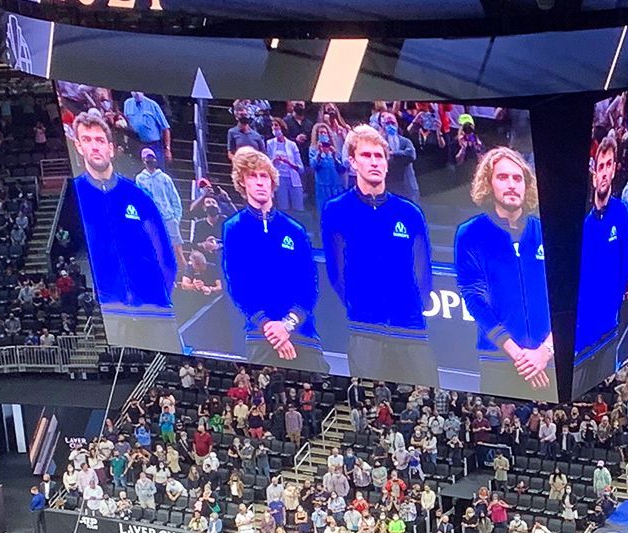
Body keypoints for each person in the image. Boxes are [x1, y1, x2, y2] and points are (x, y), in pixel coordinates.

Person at [321, 124, 437, 385]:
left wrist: (413, 307)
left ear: (387, 162)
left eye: (379, 156)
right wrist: (359, 306)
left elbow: (424, 270)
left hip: (410, 328)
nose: (374, 162)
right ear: (352, 162)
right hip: (365, 329)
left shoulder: (409, 213)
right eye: (366, 155)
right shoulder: (336, 210)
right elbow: (336, 273)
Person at [69, 109, 179, 349]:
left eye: (99, 140)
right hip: (112, 313)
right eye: (87, 140)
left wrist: (157, 293)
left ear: (110, 147)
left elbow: (165, 253)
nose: (94, 146)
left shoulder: (138, 196)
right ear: (78, 147)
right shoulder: (74, 196)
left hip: (154, 308)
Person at [454, 146, 554, 395]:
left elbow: (566, 296)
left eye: (517, 178)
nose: (511, 184)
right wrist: (518, 354)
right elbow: (474, 298)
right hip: (498, 361)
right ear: (489, 184)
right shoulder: (470, 234)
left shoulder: (545, 231)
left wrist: (545, 352)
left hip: (548, 361)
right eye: (503, 177)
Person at [221, 147, 327, 371]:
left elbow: (310, 287)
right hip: (261, 337)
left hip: (303, 334)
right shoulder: (234, 229)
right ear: (243, 183)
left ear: (272, 182)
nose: (260, 182)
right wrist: (269, 326)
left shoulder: (295, 230)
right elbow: (238, 286)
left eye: (264, 176)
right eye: (253, 176)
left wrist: (287, 325)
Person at [574, 132, 628, 368]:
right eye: (601, 166)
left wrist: (615, 305)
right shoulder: (586, 225)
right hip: (586, 328)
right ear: (594, 174)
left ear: (614, 170)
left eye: (609, 165)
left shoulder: (620, 212)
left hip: (609, 322)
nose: (604, 172)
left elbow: (623, 263)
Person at [134, 148, 183, 251]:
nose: (150, 161)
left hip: (169, 218)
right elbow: (139, 200)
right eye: (147, 159)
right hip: (152, 218)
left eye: (151, 158)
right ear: (143, 160)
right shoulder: (140, 179)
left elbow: (174, 198)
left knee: (177, 250)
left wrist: (176, 218)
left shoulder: (165, 178)